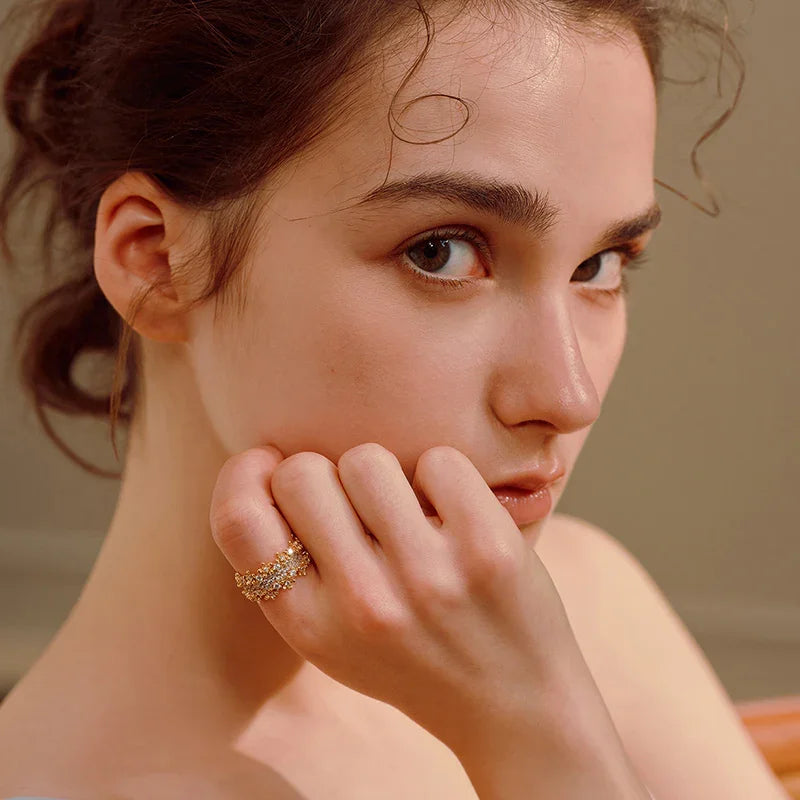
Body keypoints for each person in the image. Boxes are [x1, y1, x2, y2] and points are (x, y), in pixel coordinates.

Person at [0, 0, 788, 798]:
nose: (568, 395)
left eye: (601, 266)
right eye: (442, 252)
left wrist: (539, 723)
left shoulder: (583, 610)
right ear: (157, 261)